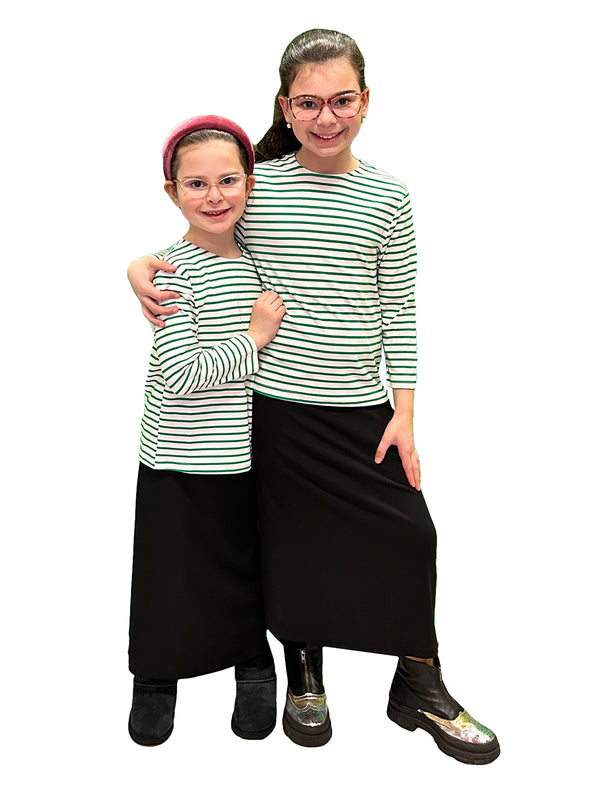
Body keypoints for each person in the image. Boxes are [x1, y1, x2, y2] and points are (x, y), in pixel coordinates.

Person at [128, 30, 500, 765]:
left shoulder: (389, 196)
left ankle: (418, 683)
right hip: (274, 410)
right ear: (284, 108)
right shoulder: (259, 184)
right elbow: (199, 226)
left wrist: (405, 412)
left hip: (361, 408)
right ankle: (303, 671)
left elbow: (399, 309)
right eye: (307, 103)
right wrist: (136, 264)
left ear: (366, 101)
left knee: (411, 536)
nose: (326, 118)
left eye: (341, 100)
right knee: (294, 550)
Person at [127, 114, 286, 746]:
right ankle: (156, 675)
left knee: (243, 564)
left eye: (228, 180)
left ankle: (252, 661)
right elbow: (180, 375)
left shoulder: (257, 256)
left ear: (250, 183)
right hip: (177, 456)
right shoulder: (170, 272)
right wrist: (255, 337)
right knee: (170, 570)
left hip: (245, 453)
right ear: (173, 192)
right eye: (196, 184)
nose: (214, 196)